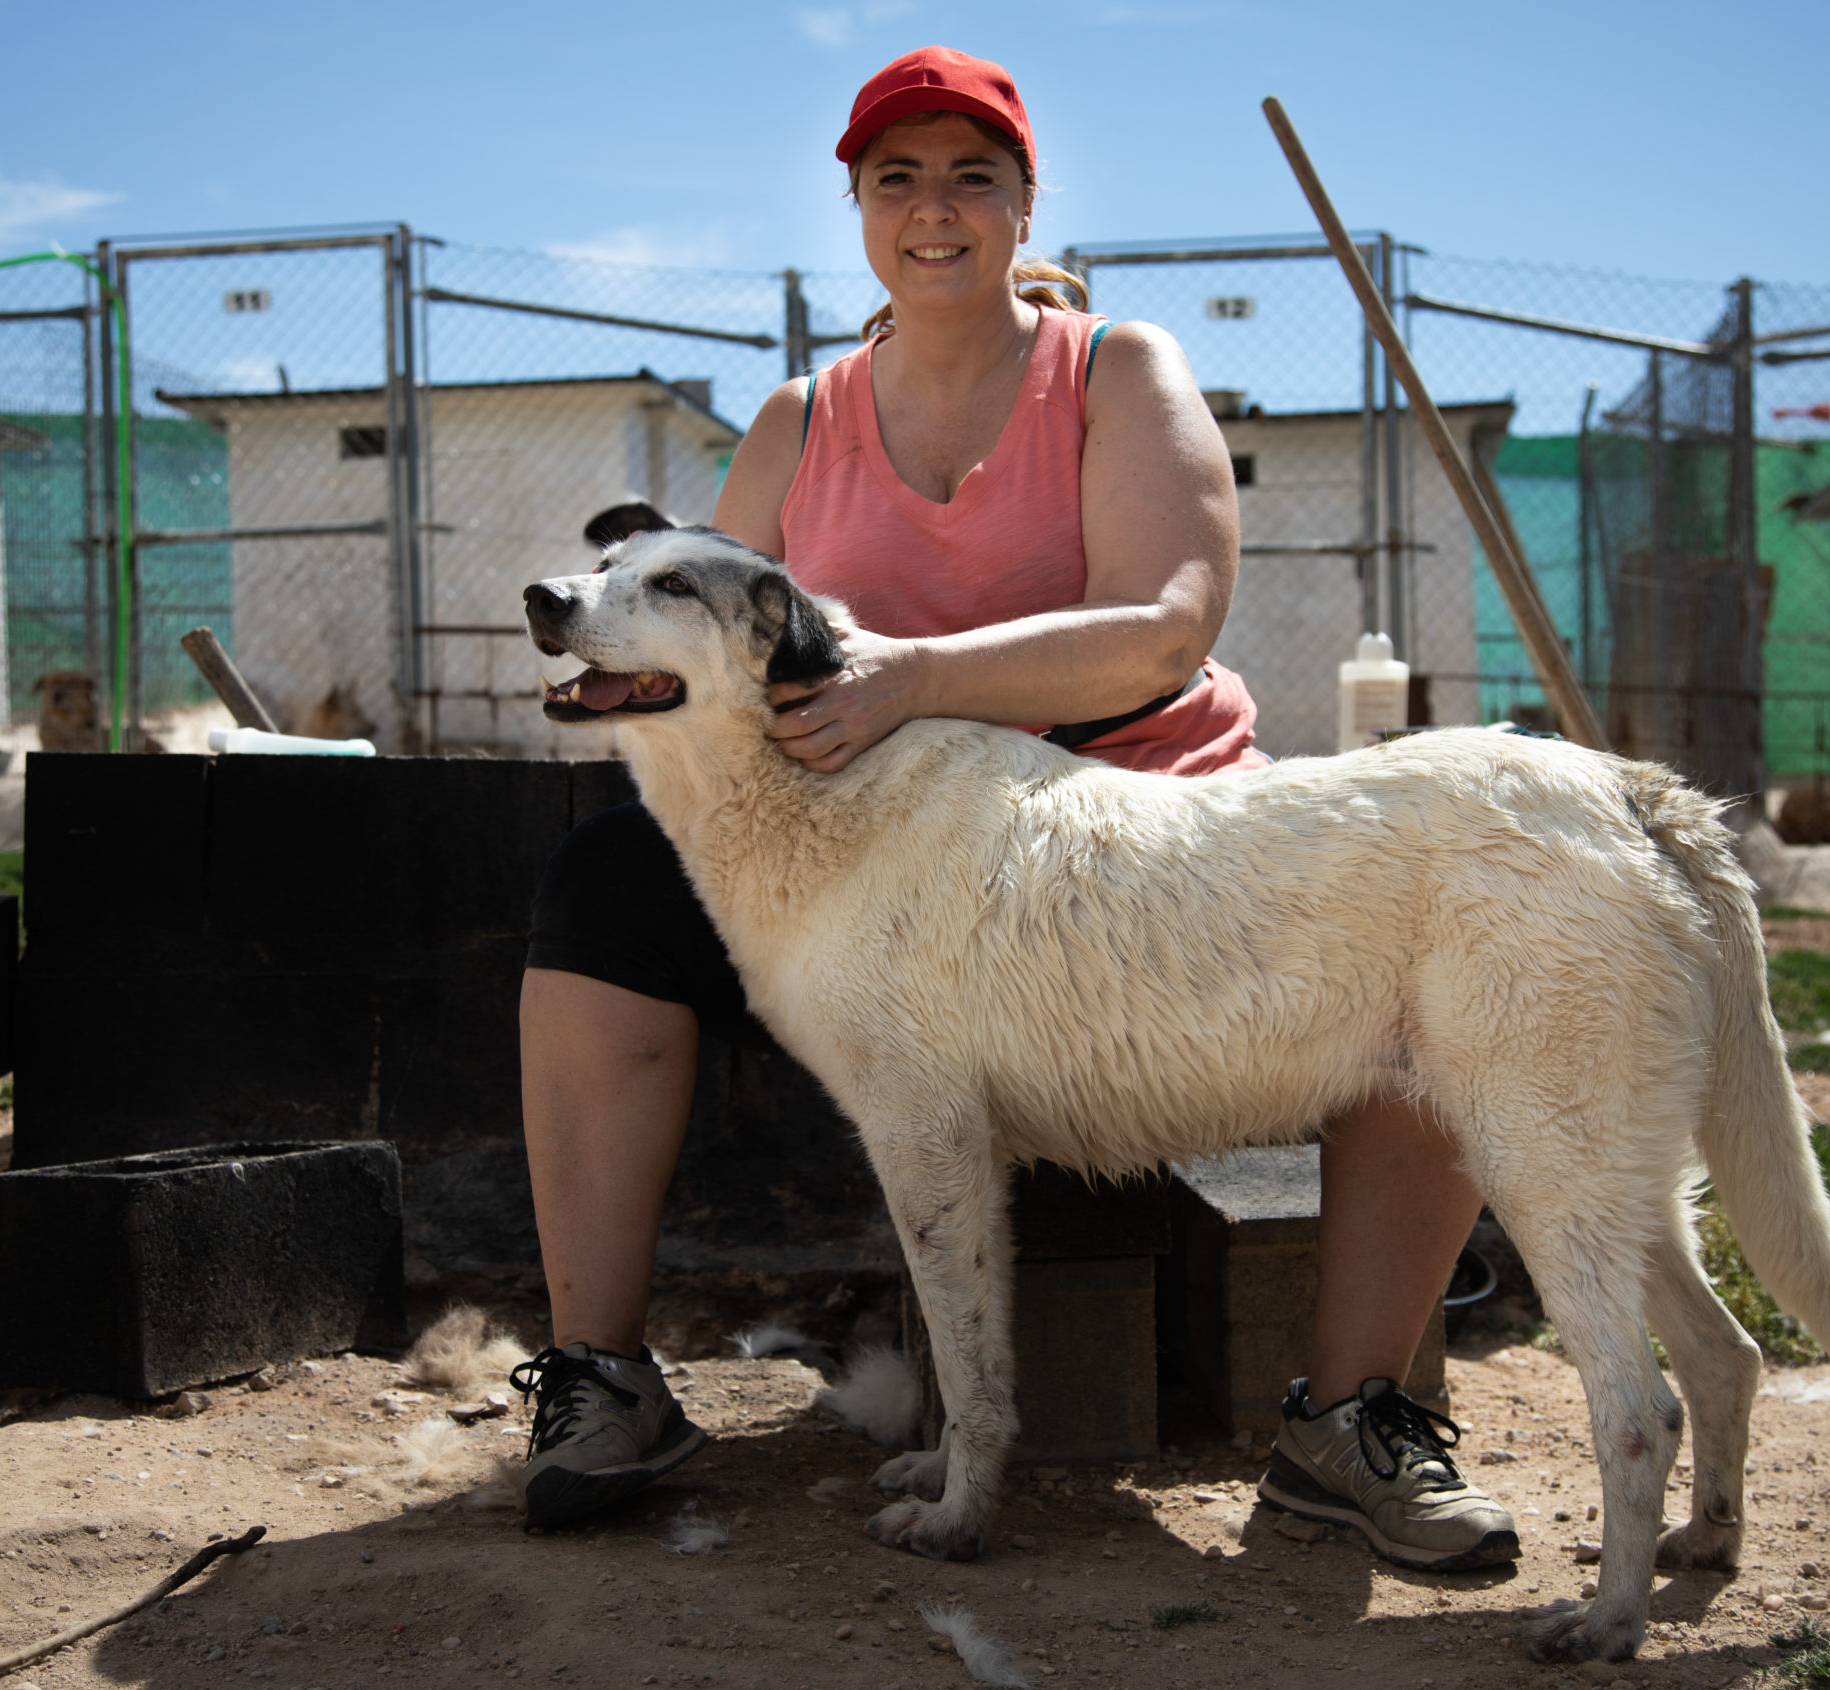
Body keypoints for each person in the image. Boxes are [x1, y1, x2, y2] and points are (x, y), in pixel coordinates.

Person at [516, 45, 1517, 1572]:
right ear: (854, 204)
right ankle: (602, 1380)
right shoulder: (802, 415)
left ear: (1023, 200)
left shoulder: (1117, 370)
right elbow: (705, 631)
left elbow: (1170, 624)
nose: (936, 210)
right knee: (601, 893)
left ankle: (1351, 1413)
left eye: (972, 176)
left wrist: (918, 677)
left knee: (1403, 924)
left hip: (1131, 811)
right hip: (861, 852)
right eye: (897, 177)